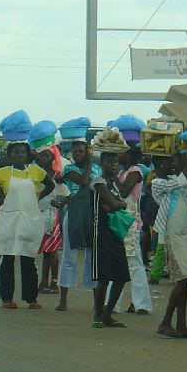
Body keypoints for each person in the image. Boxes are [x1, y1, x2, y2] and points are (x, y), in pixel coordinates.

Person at [0, 125, 56, 310]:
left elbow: (51, 185)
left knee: (28, 258)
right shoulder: (2, 173)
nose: (20, 155)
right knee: (7, 258)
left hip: (29, 219)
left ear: (27, 155)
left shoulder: (36, 171)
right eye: (16, 153)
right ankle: (7, 298)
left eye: (23, 152)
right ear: (10, 156)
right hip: (9, 221)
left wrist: (38, 196)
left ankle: (31, 299)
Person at [152, 152, 187, 338]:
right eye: (171, 162)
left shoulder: (174, 179)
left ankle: (180, 324)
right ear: (161, 164)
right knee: (182, 280)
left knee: (185, 279)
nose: (174, 165)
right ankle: (166, 322)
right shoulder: (158, 183)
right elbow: (183, 180)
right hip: (174, 235)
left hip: (185, 232)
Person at [87, 130, 132, 328]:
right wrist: (119, 204)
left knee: (121, 276)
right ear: (101, 163)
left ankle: (106, 314)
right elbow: (115, 204)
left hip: (114, 234)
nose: (113, 165)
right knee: (104, 278)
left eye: (115, 161)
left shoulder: (112, 183)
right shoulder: (99, 182)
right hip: (101, 234)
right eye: (109, 161)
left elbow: (115, 202)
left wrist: (117, 204)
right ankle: (98, 315)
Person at [55, 118, 97, 312]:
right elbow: (84, 181)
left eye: (81, 151)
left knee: (91, 257)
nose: (77, 154)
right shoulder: (69, 169)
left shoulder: (97, 168)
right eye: (75, 151)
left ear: (87, 151)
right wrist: (89, 163)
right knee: (69, 257)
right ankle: (63, 299)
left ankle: (96, 299)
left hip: (91, 214)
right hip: (73, 214)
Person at [118, 146, 152, 316]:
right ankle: (119, 303)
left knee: (134, 263)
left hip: (130, 221)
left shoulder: (135, 171)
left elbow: (124, 191)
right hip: (121, 219)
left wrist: (111, 177)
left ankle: (141, 304)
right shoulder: (122, 172)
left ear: (129, 155)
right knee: (120, 262)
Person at [34, 145, 66, 294]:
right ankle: (44, 281)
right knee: (46, 251)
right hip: (38, 213)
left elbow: (66, 194)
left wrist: (58, 202)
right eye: (41, 156)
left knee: (52, 250)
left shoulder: (56, 175)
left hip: (51, 215)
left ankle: (54, 282)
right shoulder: (36, 174)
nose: (44, 158)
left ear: (53, 158)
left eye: (47, 156)